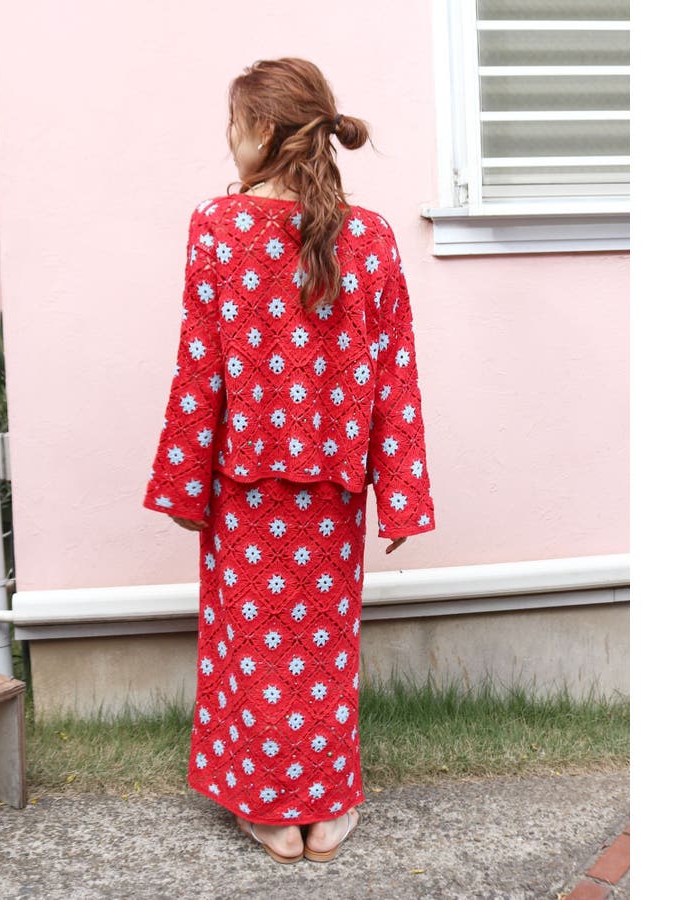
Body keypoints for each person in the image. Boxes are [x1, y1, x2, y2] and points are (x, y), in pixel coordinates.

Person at [142, 57, 436, 864]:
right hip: (335, 489)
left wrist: (183, 482)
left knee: (254, 643)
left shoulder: (217, 224)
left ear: (263, 130)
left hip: (243, 484)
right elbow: (396, 372)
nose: (230, 140)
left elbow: (200, 362)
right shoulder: (370, 235)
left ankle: (272, 808)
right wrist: (400, 492)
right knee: (322, 647)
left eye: (234, 125)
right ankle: (325, 804)